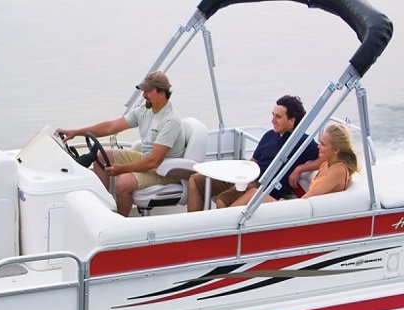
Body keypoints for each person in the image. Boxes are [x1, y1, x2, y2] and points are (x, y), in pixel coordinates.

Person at [57, 71, 186, 216]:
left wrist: (122, 169)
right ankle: (103, 210)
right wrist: (76, 132)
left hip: (166, 172)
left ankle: (121, 224)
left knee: (123, 182)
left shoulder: (170, 121)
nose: (143, 95)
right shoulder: (144, 110)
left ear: (161, 92)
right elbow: (110, 127)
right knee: (101, 156)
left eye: (148, 91)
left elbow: (154, 161)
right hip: (147, 159)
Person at [187, 95, 321, 211]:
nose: (272, 120)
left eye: (278, 117)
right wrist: (235, 175)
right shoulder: (270, 135)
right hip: (247, 177)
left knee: (223, 200)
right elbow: (254, 160)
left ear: (292, 120)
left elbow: (324, 158)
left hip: (261, 186)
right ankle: (192, 227)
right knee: (196, 180)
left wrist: (300, 169)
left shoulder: (303, 142)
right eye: (273, 115)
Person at [299, 123, 359, 199]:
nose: (318, 146)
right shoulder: (324, 165)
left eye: (323, 144)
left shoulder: (339, 170)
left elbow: (313, 194)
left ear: (336, 150)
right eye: (320, 143)